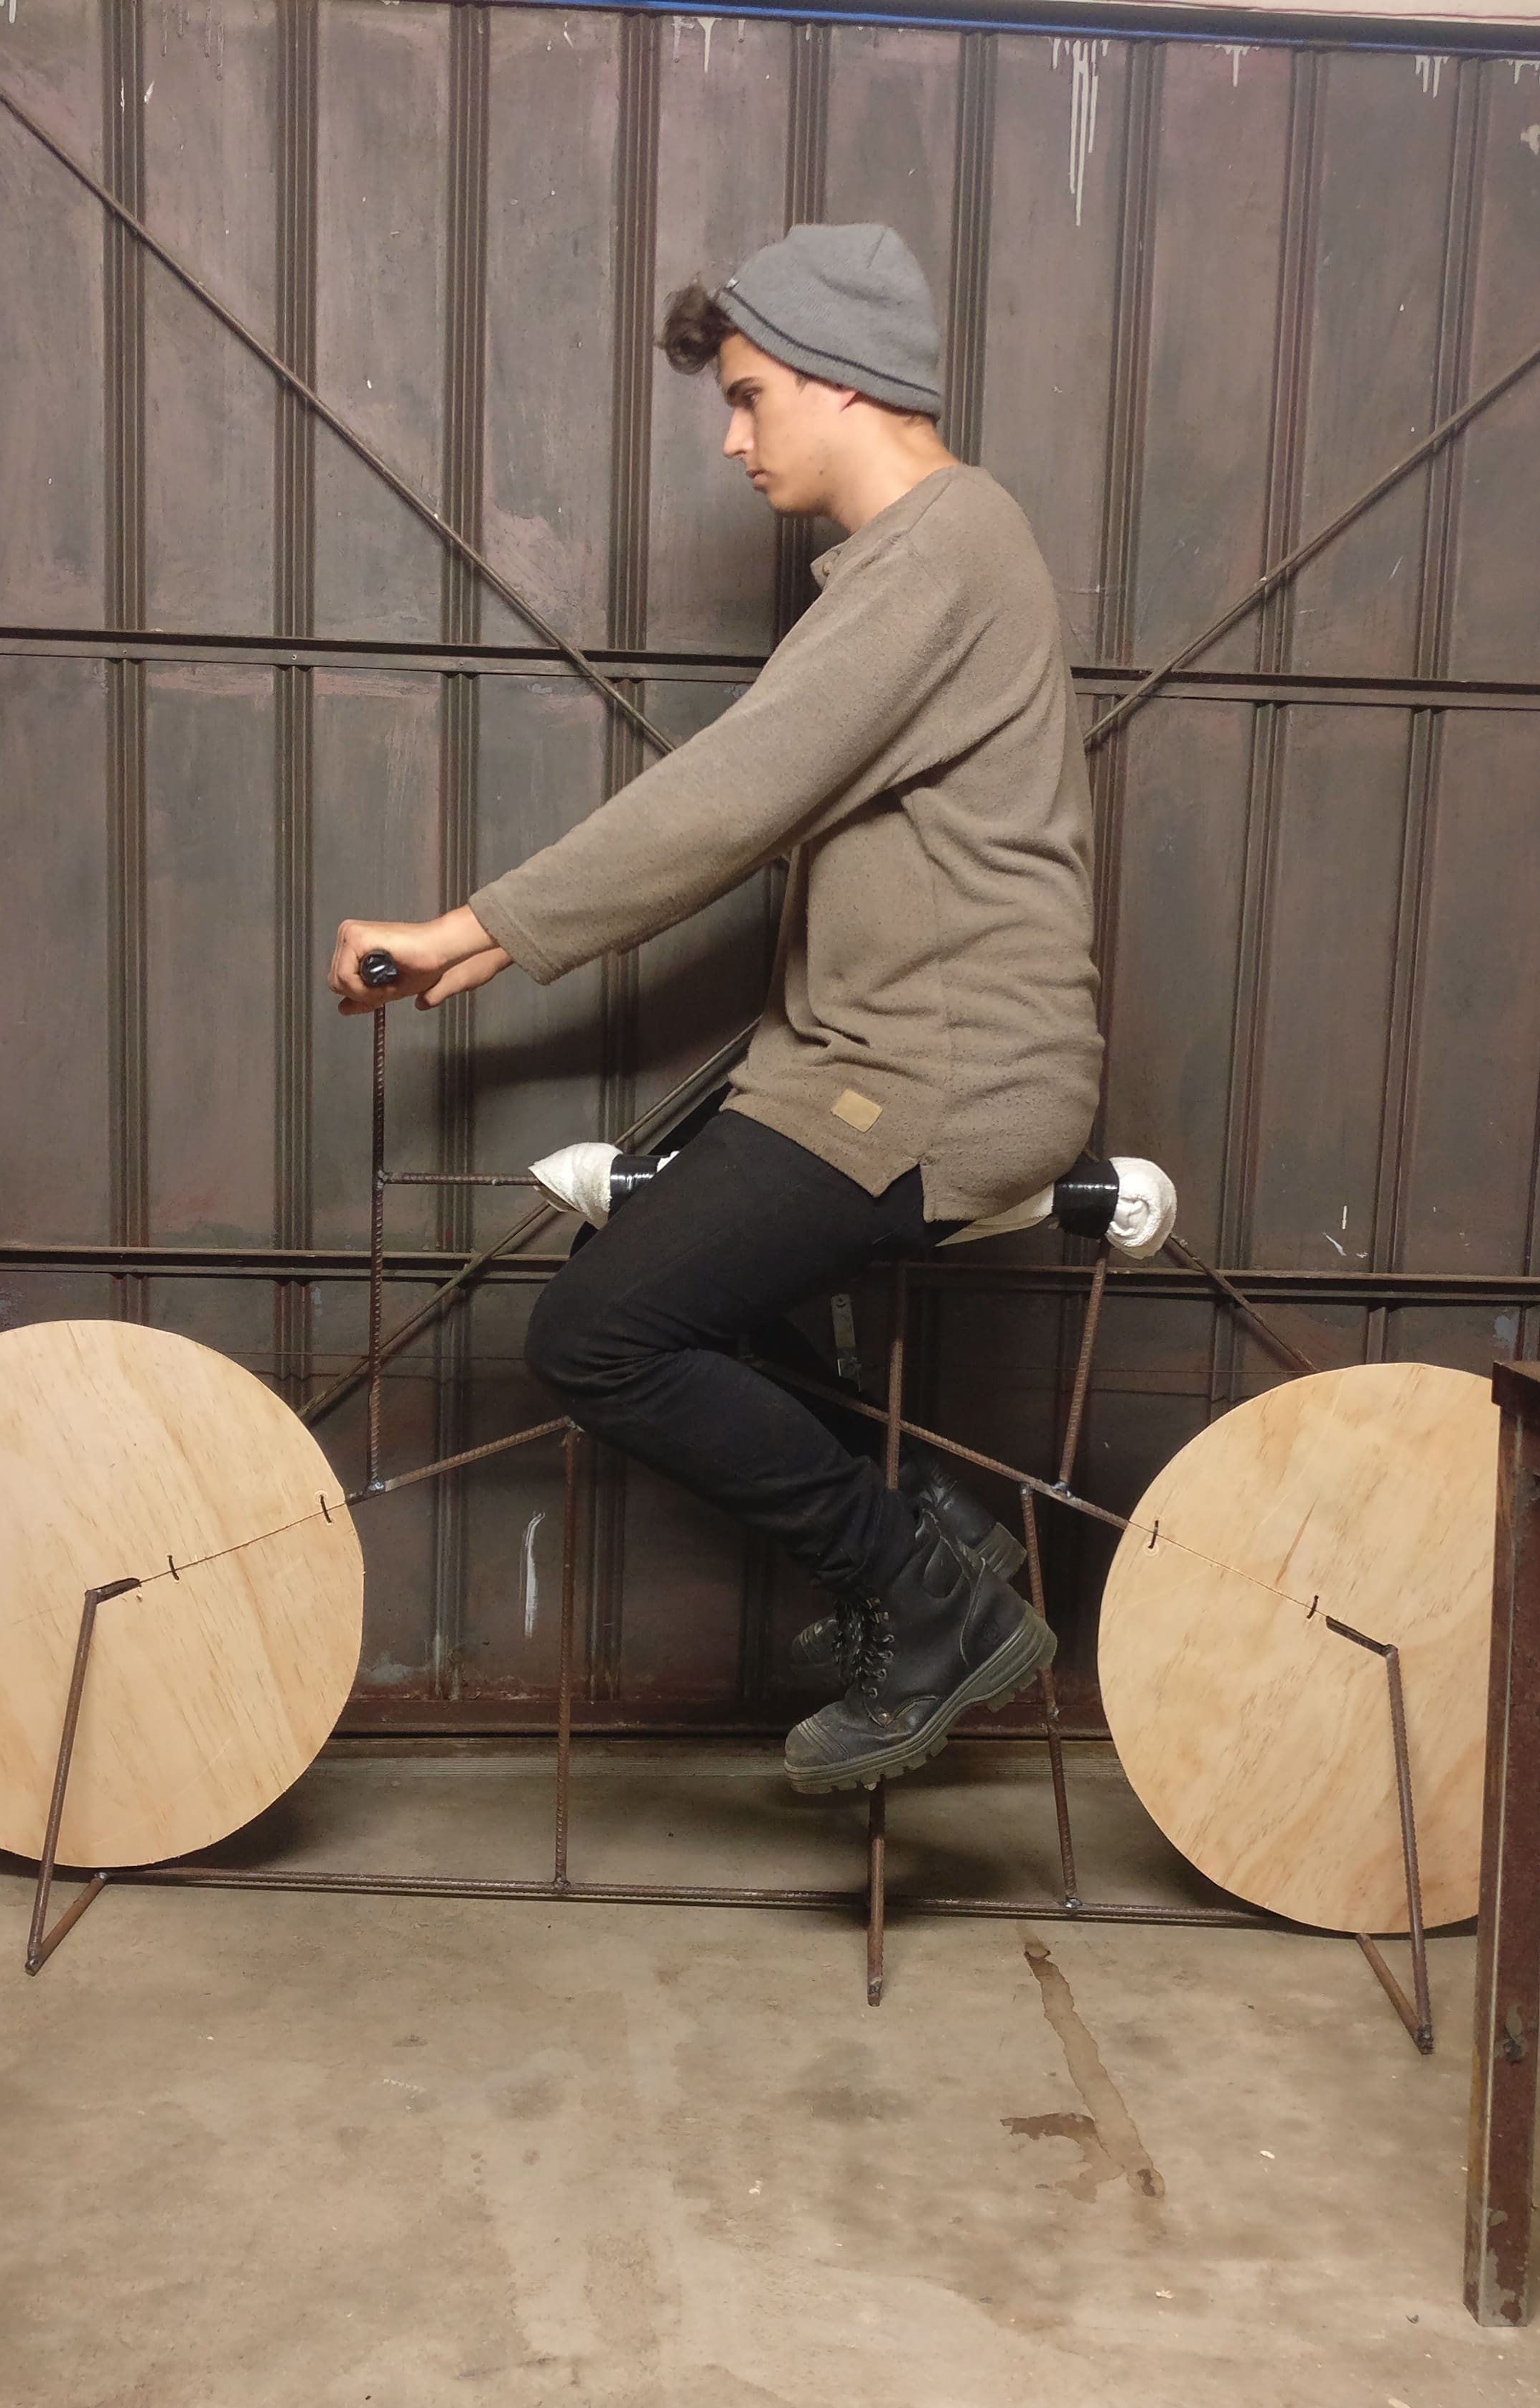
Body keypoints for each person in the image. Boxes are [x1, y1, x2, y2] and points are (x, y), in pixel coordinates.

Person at [326, 222, 1102, 1796]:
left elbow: (736, 792)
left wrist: (471, 930)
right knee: (650, 1286)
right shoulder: (925, 556)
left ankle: (931, 1599)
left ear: (842, 380)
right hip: (869, 1066)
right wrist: (492, 946)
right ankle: (933, 1534)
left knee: (597, 1336)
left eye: (749, 397)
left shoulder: (940, 550)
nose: (735, 440)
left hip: (938, 1080)